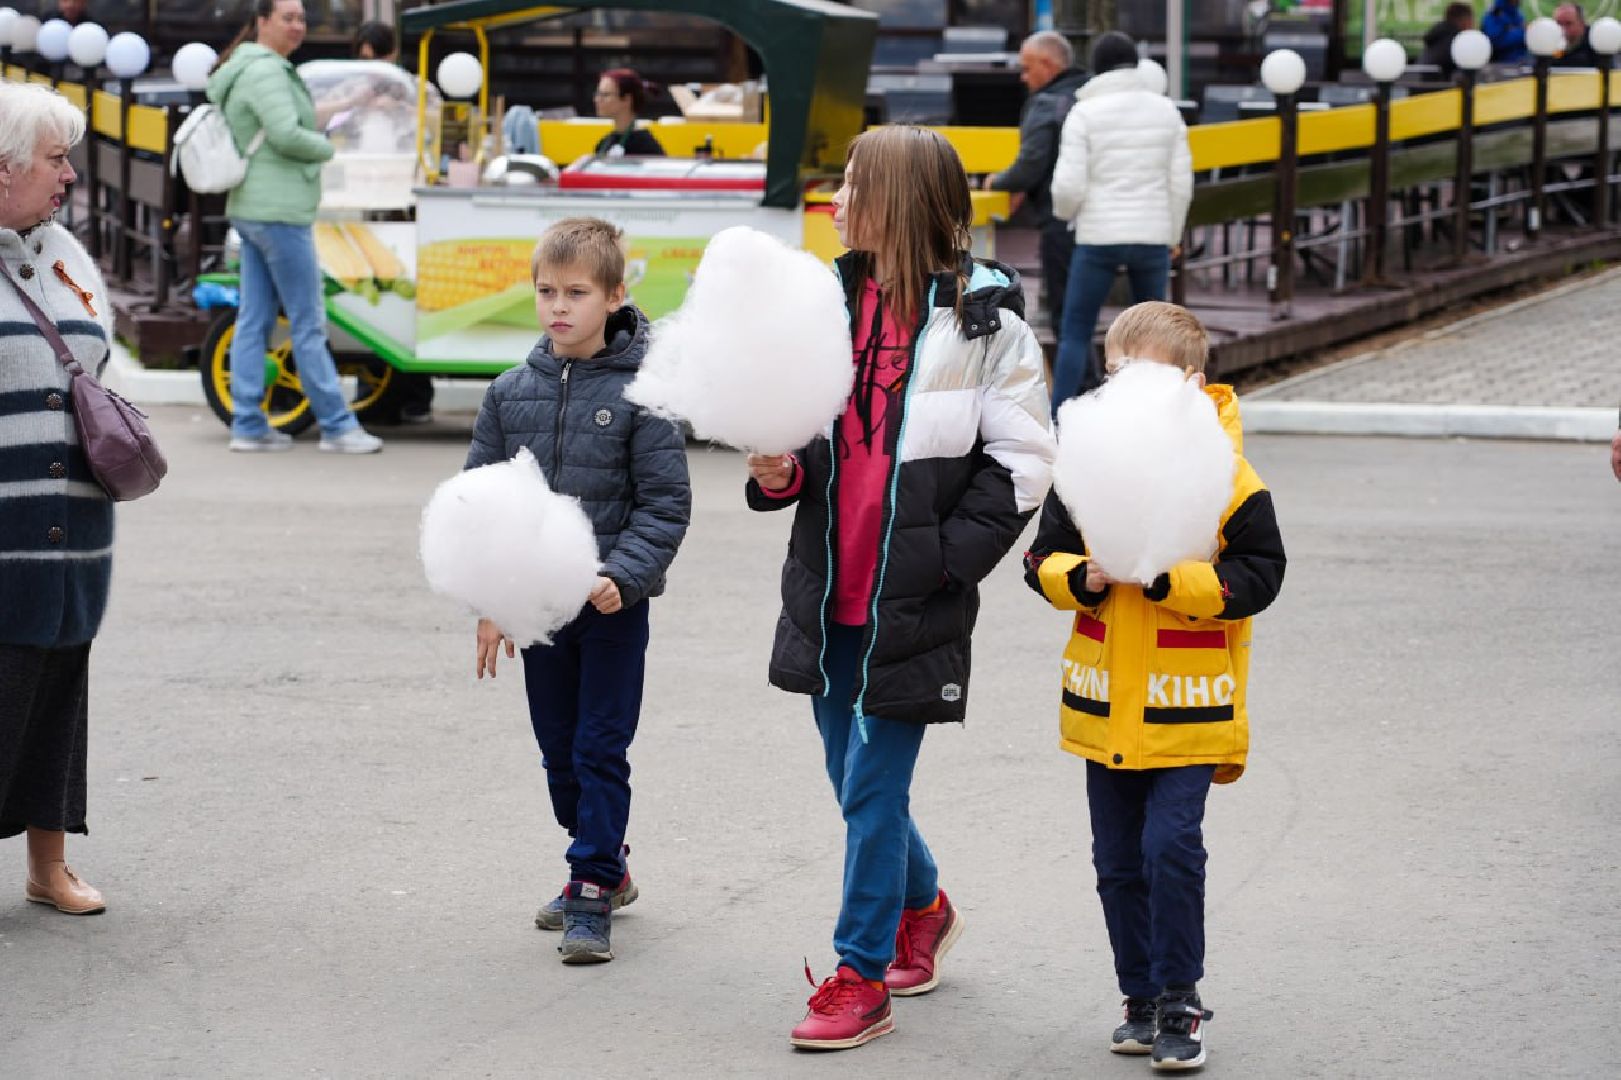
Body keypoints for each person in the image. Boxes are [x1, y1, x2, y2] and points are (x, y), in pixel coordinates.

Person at [745, 126, 1057, 1051]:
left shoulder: (985, 325)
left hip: (912, 602)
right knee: (852, 783)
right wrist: (779, 472)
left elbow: (1025, 461)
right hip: (825, 589)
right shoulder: (822, 308)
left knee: (873, 790)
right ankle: (923, 906)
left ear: (900, 198)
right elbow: (804, 440)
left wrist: (946, 562)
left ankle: (858, 973)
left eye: (851, 183)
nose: (836, 198)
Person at [1023, 302, 1286, 1072]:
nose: (1121, 390)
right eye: (1113, 374)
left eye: (1142, 375)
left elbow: (1261, 574)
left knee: (1171, 848)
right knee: (1116, 861)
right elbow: (1040, 561)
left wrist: (1179, 581)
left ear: (1193, 385)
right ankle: (1136, 997)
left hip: (1187, 707)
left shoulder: (1230, 479)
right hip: (1102, 705)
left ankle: (1180, 999)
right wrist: (1082, 577)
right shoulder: (1086, 468)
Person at [466, 218, 690, 965]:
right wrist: (492, 603)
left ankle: (590, 888)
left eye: (576, 293)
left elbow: (664, 505)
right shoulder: (508, 394)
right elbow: (482, 505)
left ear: (616, 295)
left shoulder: (642, 396)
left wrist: (620, 576)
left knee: (599, 748)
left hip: (611, 609)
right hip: (539, 611)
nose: (558, 307)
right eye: (546, 292)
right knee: (558, 754)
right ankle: (606, 858)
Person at [0, 81, 116, 916]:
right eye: (54, 158)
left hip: (74, 528)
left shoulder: (68, 255)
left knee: (58, 693)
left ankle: (49, 867)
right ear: (3, 169)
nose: (67, 174)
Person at [207, 0, 383, 454]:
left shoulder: (254, 66)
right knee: (307, 320)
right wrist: (330, 150)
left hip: (254, 207)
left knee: (256, 319)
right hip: (280, 211)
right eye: (287, 17)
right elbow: (286, 134)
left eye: (302, 18)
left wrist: (349, 103)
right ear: (262, 22)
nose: (298, 26)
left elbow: (295, 121)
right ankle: (338, 426)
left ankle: (248, 423)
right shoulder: (267, 71)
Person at [1048, 31, 1192, 412]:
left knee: (1076, 331)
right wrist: (1173, 233)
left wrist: (1066, 215)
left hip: (1098, 236)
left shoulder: (1085, 112)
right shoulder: (1166, 111)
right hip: (1151, 235)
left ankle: (1058, 420)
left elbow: (1068, 184)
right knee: (1156, 336)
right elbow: (1180, 183)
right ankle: (1157, 413)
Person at [347, 18, 438, 425]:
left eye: (377, 58)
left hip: (405, 200)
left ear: (392, 55)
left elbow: (437, 124)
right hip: (362, 200)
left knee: (404, 291)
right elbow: (330, 126)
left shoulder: (416, 89)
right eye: (364, 59)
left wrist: (400, 107)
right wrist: (355, 105)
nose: (372, 68)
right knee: (370, 292)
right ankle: (371, 387)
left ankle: (414, 392)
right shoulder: (351, 89)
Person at [982, 30, 1088, 342]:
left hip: (1061, 217)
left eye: (1027, 69)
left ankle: (1077, 387)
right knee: (1086, 310)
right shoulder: (1090, 95)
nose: (1023, 78)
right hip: (1102, 218)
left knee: (1066, 312)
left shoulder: (1046, 103)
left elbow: (1033, 162)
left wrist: (999, 182)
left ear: (1047, 64)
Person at [593, 69, 665, 157]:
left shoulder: (645, 147)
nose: (597, 100)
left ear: (627, 99)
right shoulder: (603, 143)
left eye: (605, 95)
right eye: (598, 94)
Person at [1421, 3, 1476, 78]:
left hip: (1420, 84)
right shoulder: (1455, 41)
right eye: (1471, 20)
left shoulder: (1439, 35)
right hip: (1441, 86)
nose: (1474, 25)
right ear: (1463, 21)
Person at [1483, 0, 1528, 64]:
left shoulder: (1518, 14)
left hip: (1521, 63)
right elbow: (1494, 41)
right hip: (1500, 65)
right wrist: (1522, 33)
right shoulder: (1493, 15)